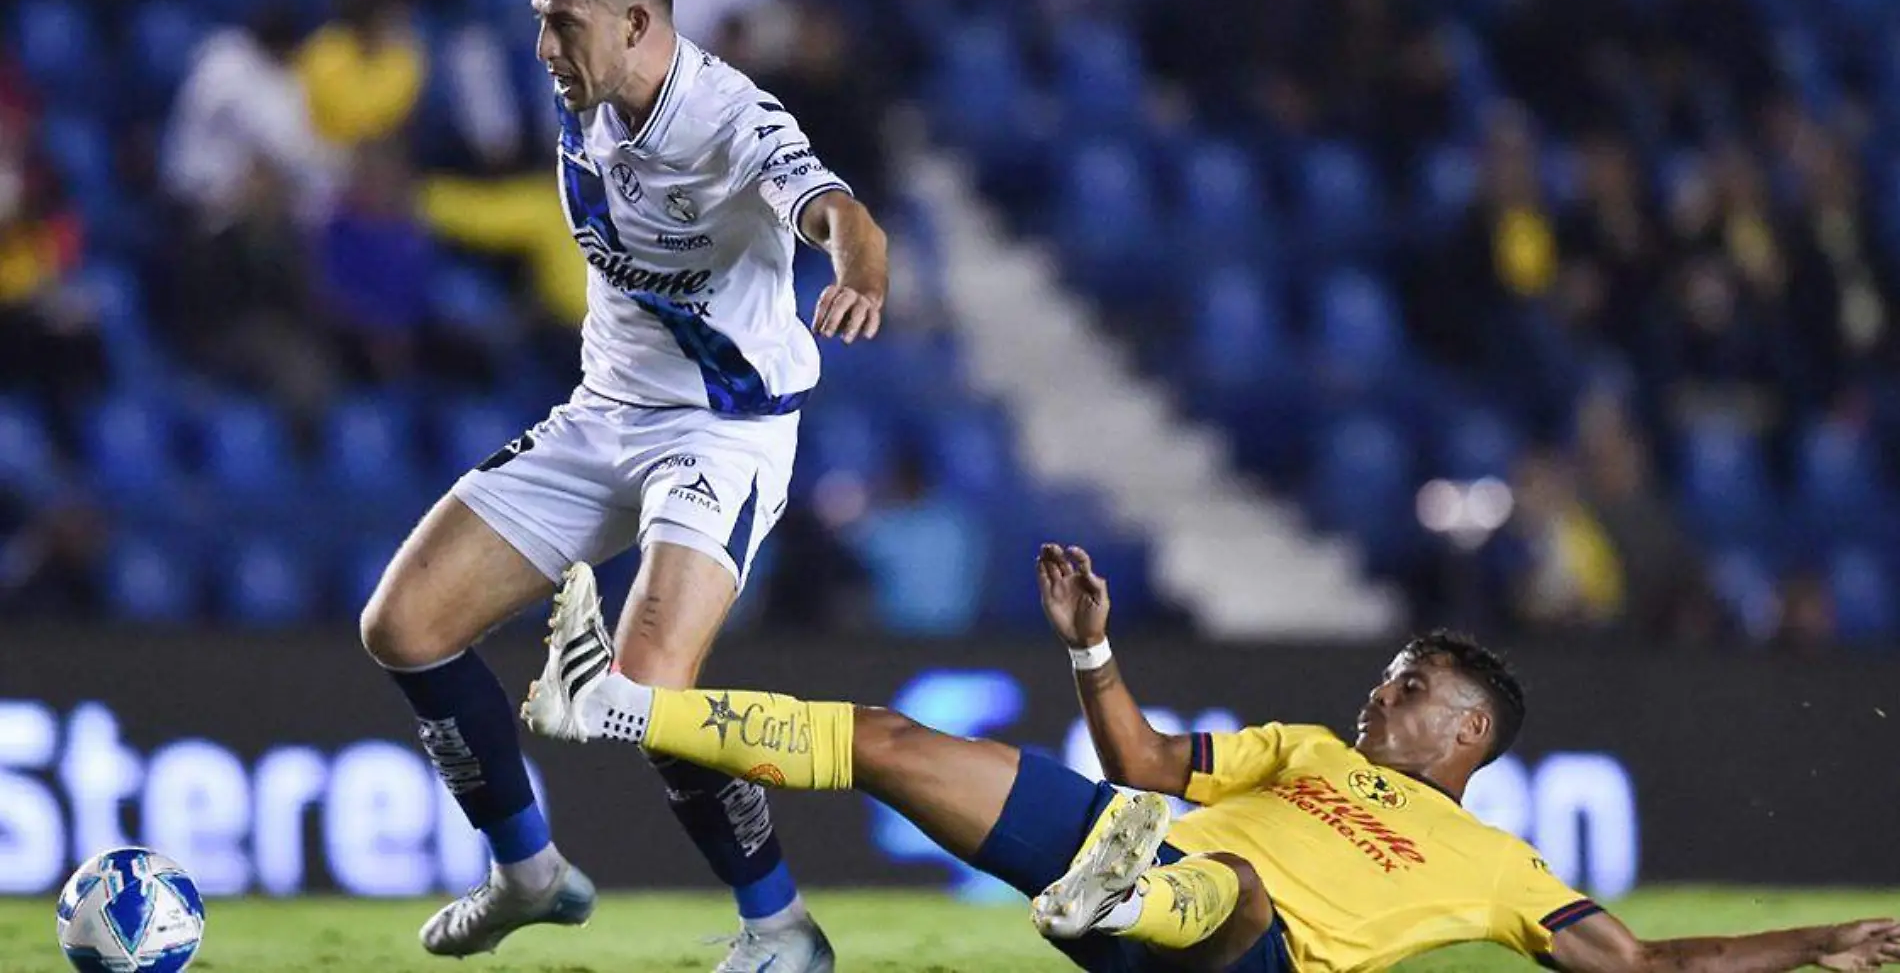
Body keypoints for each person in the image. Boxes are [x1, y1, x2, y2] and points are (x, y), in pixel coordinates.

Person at [522, 547, 1900, 973]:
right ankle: (611, 708)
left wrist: (1827, 937)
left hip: (1247, 960)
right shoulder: (1299, 749)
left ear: (1466, 732)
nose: (1381, 693)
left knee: (1242, 902)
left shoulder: (1503, 866)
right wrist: (1088, 648)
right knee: (890, 742)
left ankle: (1125, 889)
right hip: (1152, 866)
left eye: (1409, 688)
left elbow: (1647, 970)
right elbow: (1136, 752)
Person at [355, 0, 888, 970]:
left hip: (720, 434)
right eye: (540, 21)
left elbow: (835, 207)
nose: (546, 46)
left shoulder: (730, 118)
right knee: (403, 624)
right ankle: (527, 874)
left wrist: (859, 269)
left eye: (563, 23)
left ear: (640, 20)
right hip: (601, 417)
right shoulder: (589, 97)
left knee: (647, 692)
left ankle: (782, 929)